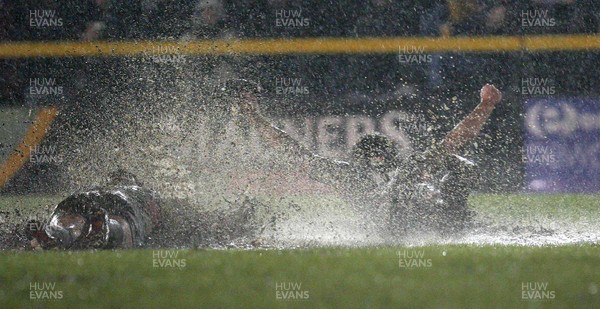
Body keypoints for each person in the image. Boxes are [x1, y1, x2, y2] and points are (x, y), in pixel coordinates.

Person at [229, 79, 503, 235]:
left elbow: (453, 143)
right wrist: (485, 105)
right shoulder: (353, 175)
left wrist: (486, 105)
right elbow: (453, 142)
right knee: (437, 169)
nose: (377, 164)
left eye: (380, 158)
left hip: (429, 217)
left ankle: (451, 216)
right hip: (391, 225)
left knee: (461, 167)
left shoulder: (359, 172)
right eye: (374, 159)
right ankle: (446, 214)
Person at [25, 169, 260, 249]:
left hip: (83, 199)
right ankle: (105, 230)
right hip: (126, 209)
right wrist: (236, 220)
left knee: (71, 217)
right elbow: (203, 221)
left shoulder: (98, 188)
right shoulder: (148, 196)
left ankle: (56, 234)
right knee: (122, 224)